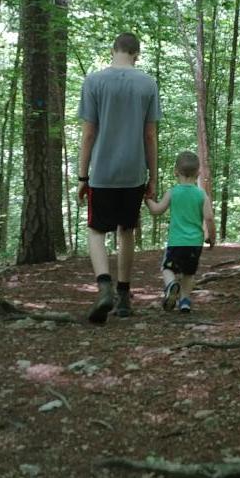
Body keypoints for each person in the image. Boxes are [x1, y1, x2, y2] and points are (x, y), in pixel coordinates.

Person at [77, 32, 160, 322]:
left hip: (101, 172)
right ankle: (124, 297)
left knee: (96, 231)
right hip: (134, 171)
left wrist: (81, 176)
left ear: (113, 50)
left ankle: (103, 287)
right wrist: (153, 176)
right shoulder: (148, 83)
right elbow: (150, 135)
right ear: (136, 54)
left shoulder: (94, 82)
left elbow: (88, 134)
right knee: (126, 230)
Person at [145, 150, 215, 313]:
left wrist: (147, 199)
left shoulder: (173, 192)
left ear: (176, 172)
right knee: (188, 273)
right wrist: (212, 237)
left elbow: (157, 210)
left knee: (168, 269)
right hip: (194, 244)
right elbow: (209, 218)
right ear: (198, 173)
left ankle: (171, 285)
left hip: (176, 242)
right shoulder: (201, 194)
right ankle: (184, 301)